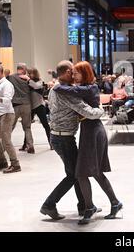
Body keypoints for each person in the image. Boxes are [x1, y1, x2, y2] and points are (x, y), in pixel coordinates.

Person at [53, 61, 122, 225]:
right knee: (92, 172)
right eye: (73, 72)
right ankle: (111, 203)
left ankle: (93, 207)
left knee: (83, 173)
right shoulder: (86, 87)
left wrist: (56, 84)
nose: (73, 76)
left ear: (84, 73)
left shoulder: (89, 88)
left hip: (93, 131)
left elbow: (66, 89)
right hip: (89, 130)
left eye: (76, 73)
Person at [40, 61, 104, 221]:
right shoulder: (64, 92)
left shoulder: (58, 87)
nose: (75, 75)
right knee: (73, 175)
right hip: (63, 138)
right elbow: (87, 112)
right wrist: (101, 109)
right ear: (68, 72)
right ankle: (49, 205)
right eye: (73, 72)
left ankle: (84, 206)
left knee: (77, 173)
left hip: (60, 136)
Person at [0, 64, 21, 174]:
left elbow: (7, 100)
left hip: (6, 114)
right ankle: (2, 161)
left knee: (6, 140)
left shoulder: (7, 85)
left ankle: (15, 164)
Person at [21, 68, 51, 151]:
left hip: (39, 105)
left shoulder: (39, 81)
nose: (29, 75)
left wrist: (28, 79)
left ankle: (51, 144)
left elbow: (37, 86)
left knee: (45, 125)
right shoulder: (27, 81)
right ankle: (25, 145)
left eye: (31, 73)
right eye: (28, 73)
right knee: (27, 126)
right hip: (30, 106)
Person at [8, 64, 35, 154]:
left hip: (15, 105)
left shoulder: (11, 77)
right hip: (26, 105)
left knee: (10, 127)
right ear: (23, 69)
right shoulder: (28, 79)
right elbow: (36, 87)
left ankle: (5, 146)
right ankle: (30, 146)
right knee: (27, 127)